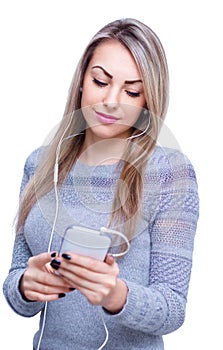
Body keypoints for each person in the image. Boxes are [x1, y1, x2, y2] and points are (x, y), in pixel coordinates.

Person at [3, 18, 199, 350]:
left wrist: (115, 295)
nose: (111, 100)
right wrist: (25, 285)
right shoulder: (40, 164)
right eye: (100, 81)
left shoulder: (170, 173)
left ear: (148, 99)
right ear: (82, 80)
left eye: (131, 90)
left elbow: (172, 309)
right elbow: (18, 290)